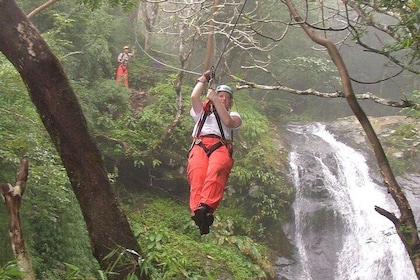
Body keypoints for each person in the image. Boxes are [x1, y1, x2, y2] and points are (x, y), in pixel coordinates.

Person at [187, 70, 242, 235]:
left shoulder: (233, 114)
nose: (222, 98)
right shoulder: (202, 113)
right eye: (220, 95)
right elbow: (194, 97)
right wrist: (203, 79)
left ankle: (207, 206)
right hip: (199, 145)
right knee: (197, 175)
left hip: (220, 146)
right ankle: (198, 213)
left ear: (230, 102)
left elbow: (228, 122)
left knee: (215, 171)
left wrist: (215, 100)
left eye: (226, 96)